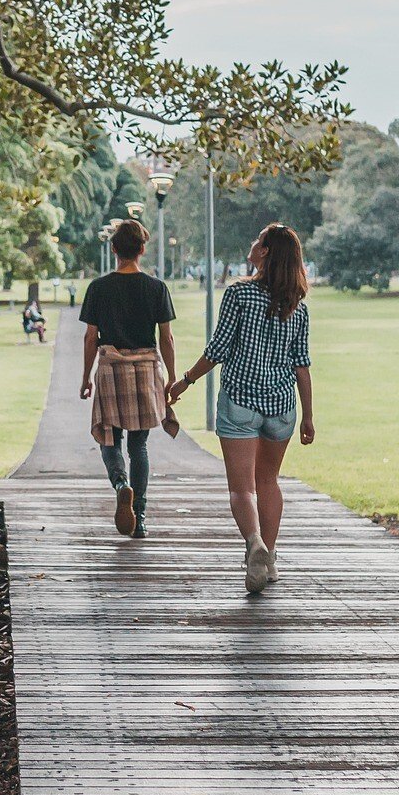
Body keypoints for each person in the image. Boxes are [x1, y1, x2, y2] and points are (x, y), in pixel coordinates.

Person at [169, 223, 315, 594]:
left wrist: (185, 380)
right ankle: (272, 561)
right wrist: (309, 416)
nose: (252, 243)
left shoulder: (239, 295)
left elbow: (217, 350)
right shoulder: (298, 307)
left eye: (258, 240)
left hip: (240, 403)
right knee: (269, 481)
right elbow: (302, 365)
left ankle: (254, 545)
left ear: (264, 252)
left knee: (242, 489)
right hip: (282, 406)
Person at [78, 219, 179, 539]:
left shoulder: (98, 288)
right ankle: (141, 516)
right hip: (145, 370)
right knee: (139, 445)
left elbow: (90, 338)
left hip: (111, 370)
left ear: (114, 249)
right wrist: (172, 378)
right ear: (143, 250)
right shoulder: (156, 287)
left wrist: (85, 377)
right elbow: (167, 338)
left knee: (108, 438)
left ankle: (121, 484)